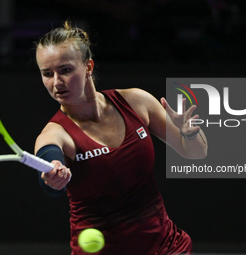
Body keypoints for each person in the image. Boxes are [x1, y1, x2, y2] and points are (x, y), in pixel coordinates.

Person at [34, 20, 207, 255]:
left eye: (65, 70)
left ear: (88, 67)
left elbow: (196, 153)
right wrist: (54, 174)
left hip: (166, 247)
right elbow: (49, 164)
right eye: (47, 73)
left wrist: (191, 134)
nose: (56, 82)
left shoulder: (137, 102)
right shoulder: (55, 133)